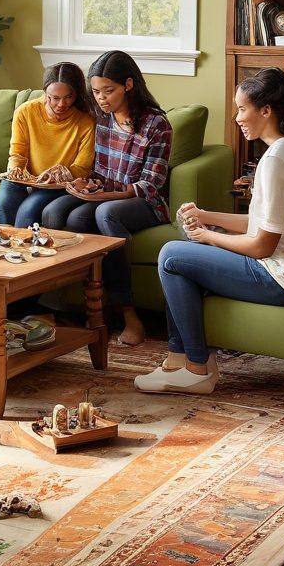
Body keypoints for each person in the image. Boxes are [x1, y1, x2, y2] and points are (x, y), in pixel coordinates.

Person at [136, 68, 284, 396]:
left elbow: (262, 247)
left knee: (171, 255)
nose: (236, 117)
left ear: (266, 110)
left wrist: (209, 236)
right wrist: (205, 217)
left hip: (280, 279)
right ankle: (177, 360)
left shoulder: (276, 161)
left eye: (242, 109)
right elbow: (263, 223)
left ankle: (196, 368)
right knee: (182, 248)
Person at [42, 51, 171, 346]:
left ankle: (129, 314)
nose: (101, 98)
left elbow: (150, 186)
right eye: (97, 91)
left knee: (106, 214)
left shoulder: (156, 125)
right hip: (110, 194)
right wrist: (85, 184)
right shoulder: (101, 119)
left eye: (108, 91)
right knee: (57, 211)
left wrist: (103, 196)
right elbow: (101, 173)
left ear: (128, 84)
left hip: (146, 204)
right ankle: (71, 308)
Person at [0, 62, 95, 228]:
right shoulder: (26, 112)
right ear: (45, 92)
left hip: (58, 185)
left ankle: (25, 252)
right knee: (1, 209)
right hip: (25, 180)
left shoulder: (86, 122)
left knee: (27, 210)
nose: (61, 104)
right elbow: (17, 153)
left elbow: (82, 167)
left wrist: (56, 176)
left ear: (77, 94)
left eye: (68, 97)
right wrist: (15, 172)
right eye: (54, 98)